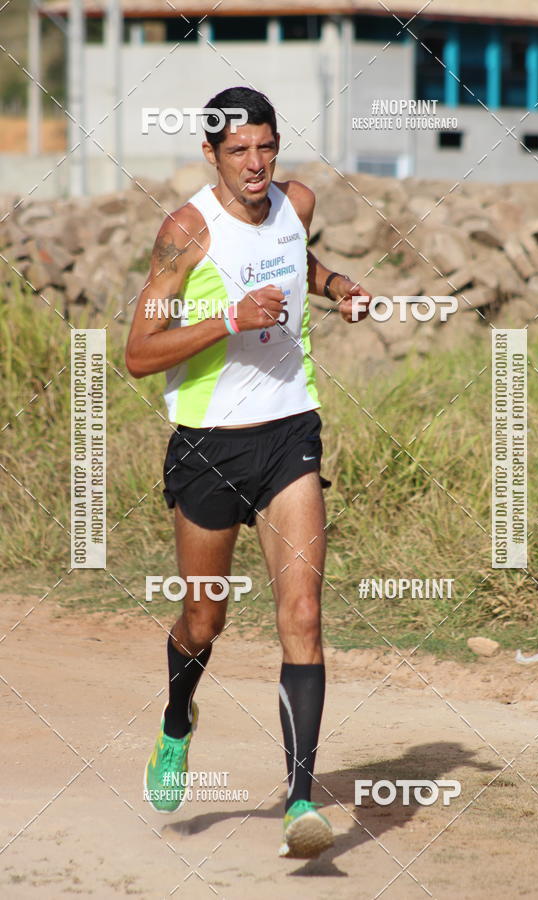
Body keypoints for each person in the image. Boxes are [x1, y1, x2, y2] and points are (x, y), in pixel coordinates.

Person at [125, 85, 371, 859]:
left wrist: (337, 290)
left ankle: (301, 799)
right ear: (211, 154)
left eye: (266, 146)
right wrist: (230, 319)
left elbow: (305, 257)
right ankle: (176, 722)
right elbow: (138, 353)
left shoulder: (297, 202)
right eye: (239, 151)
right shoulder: (186, 232)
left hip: (290, 432)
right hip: (207, 444)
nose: (257, 164)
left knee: (301, 616)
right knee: (206, 620)